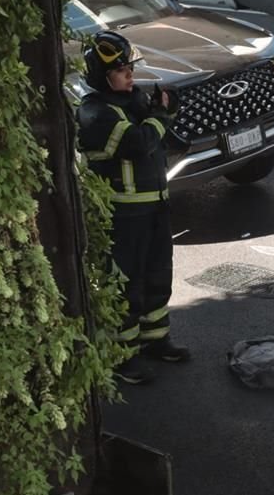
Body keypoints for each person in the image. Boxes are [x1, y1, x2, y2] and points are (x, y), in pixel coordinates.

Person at [77, 30, 191, 384]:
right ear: (102, 75)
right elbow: (139, 143)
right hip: (123, 215)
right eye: (123, 69)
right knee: (125, 284)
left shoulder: (134, 101)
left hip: (155, 208)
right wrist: (160, 117)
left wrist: (166, 112)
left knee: (157, 275)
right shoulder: (95, 113)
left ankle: (155, 340)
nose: (131, 74)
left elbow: (165, 140)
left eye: (131, 67)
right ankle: (123, 356)